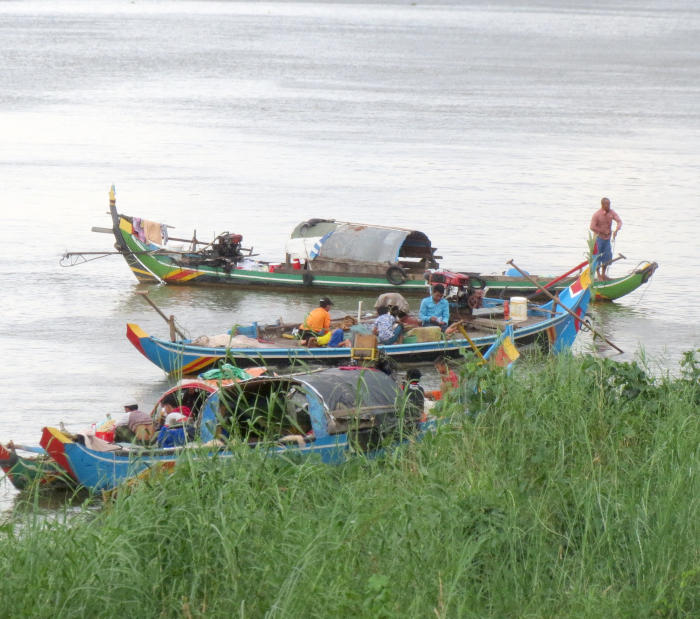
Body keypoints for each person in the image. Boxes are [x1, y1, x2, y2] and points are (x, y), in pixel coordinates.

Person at [589, 197, 622, 280]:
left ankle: (603, 274)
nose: (608, 206)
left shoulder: (611, 212)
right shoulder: (597, 214)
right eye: (606, 204)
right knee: (597, 257)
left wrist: (616, 230)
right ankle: (598, 275)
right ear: (602, 205)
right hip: (598, 239)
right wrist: (602, 231)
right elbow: (592, 227)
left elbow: (619, 221)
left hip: (607, 239)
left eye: (609, 204)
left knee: (607, 256)